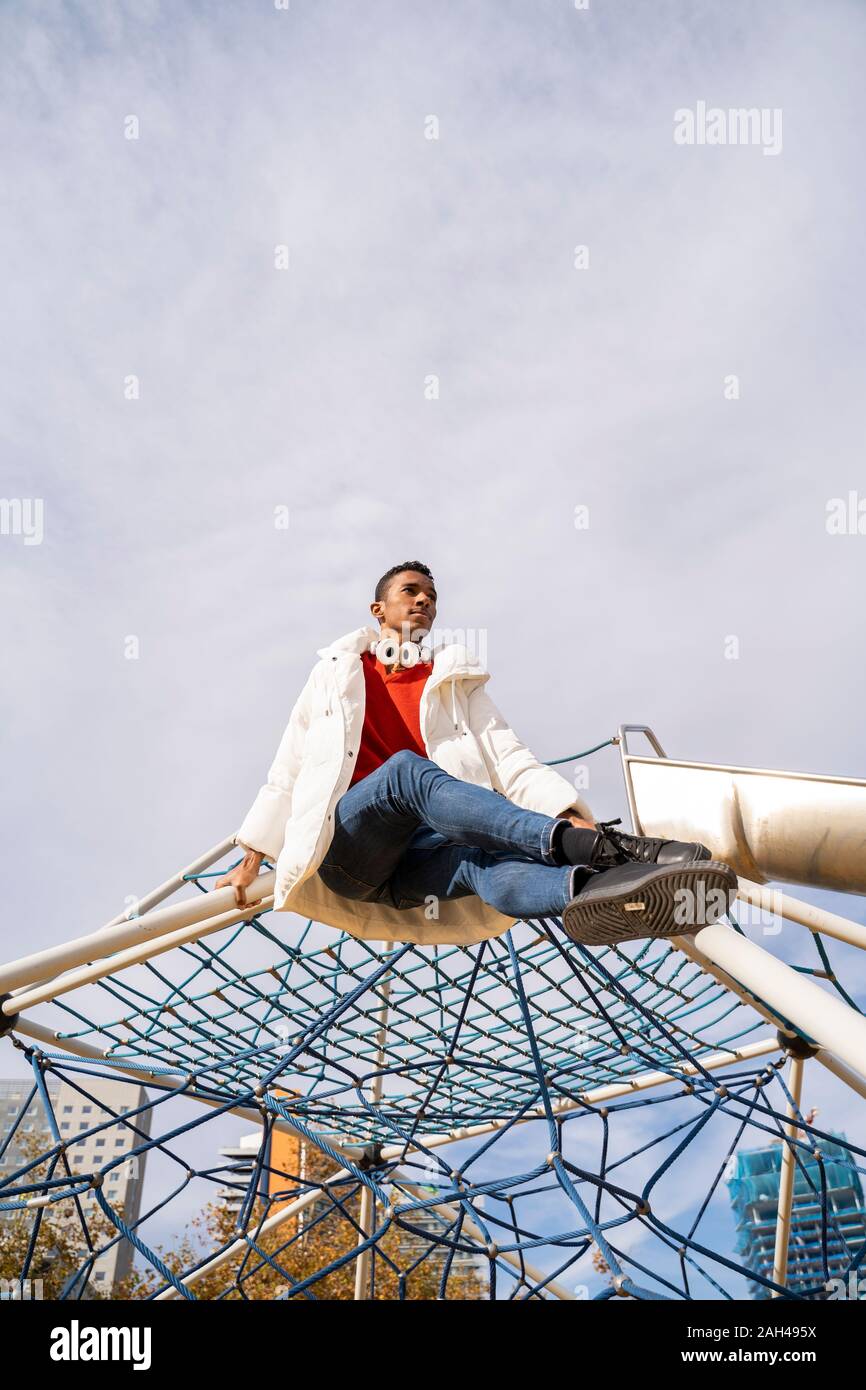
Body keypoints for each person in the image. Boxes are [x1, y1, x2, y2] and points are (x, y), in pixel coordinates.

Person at [216, 562, 736, 948]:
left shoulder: (454, 680)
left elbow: (508, 757)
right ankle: (601, 851)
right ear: (379, 610)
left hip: (420, 866)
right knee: (405, 774)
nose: (424, 601)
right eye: (410, 592)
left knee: (483, 866)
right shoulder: (335, 673)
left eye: (432, 597)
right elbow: (289, 766)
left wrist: (566, 811)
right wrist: (252, 858)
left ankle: (604, 890)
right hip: (352, 853)